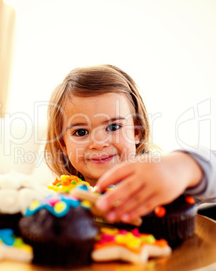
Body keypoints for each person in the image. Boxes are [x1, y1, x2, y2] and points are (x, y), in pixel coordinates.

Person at [44, 64, 216, 223]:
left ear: (136, 131)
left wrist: (184, 167)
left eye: (113, 126)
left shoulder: (160, 185)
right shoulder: (57, 202)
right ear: (64, 145)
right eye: (81, 132)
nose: (99, 143)